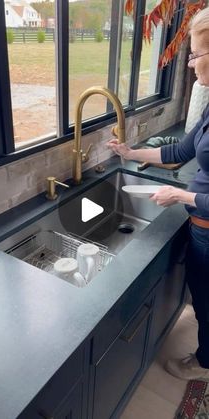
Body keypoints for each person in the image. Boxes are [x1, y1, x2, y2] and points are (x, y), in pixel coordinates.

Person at [107, 6, 209, 381]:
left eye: (195, 55)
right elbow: (181, 151)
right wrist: (131, 152)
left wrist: (181, 197)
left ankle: (205, 365)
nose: (188, 64)